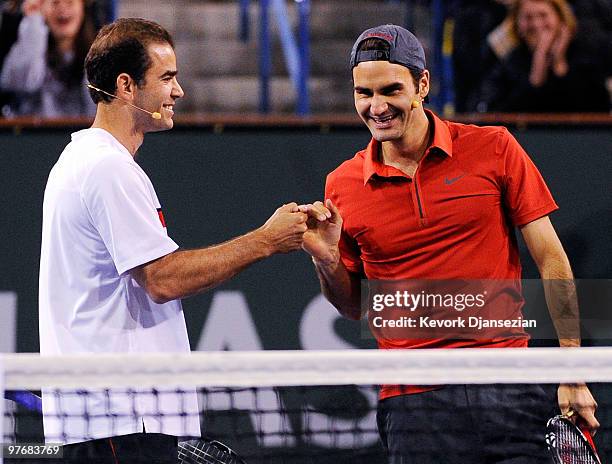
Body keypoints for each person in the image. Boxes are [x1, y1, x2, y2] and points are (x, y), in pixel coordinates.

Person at [299, 24, 599, 463]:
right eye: (364, 93)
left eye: (391, 90)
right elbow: (354, 306)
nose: (376, 107)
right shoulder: (341, 184)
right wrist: (326, 261)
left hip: (509, 385)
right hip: (414, 405)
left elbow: (551, 258)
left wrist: (572, 368)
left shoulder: (494, 148)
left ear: (422, 85)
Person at [38, 17, 308, 464]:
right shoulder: (106, 168)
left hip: (121, 421)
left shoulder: (90, 161)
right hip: (120, 422)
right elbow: (162, 278)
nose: (178, 91)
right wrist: (266, 240)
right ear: (126, 86)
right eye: (166, 78)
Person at [476, 0, 610, 112]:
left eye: (543, 15)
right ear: (517, 23)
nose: (536, 24)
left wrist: (560, 66)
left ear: (560, 19)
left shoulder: (585, 55)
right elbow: (496, 113)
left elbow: (598, 108)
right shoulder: (509, 63)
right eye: (528, 17)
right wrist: (536, 75)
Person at [0, 0, 97, 117]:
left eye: (70, 2)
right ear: (43, 8)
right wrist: (34, 22)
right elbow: (20, 81)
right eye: (55, 2)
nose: (62, 8)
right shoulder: (29, 41)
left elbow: (100, 107)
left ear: (83, 8)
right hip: (37, 133)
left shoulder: (99, 51)